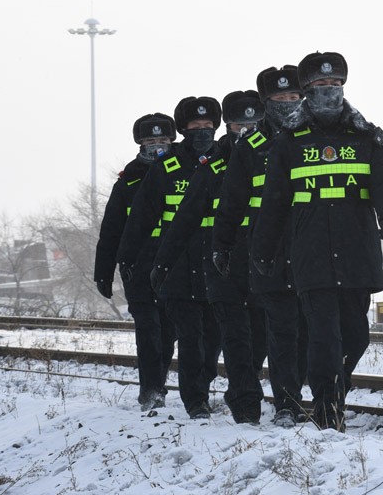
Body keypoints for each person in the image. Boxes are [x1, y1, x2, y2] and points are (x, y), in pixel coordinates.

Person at [251, 52, 383, 430]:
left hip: (357, 252)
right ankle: (326, 405)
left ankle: (336, 386)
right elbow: (273, 201)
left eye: (335, 85)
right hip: (311, 255)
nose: (329, 93)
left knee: (356, 335)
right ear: (307, 91)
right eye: (321, 86)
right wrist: (264, 250)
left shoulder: (366, 135)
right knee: (322, 336)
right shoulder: (290, 141)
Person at [153, 91, 266, 425]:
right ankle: (225, 400)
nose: (245, 131)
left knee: (254, 338)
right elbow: (184, 216)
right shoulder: (212, 165)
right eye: (238, 124)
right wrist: (161, 263)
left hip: (260, 265)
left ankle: (243, 390)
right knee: (218, 340)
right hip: (216, 267)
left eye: (252, 124)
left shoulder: (272, 156)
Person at [212, 65, 309, 428]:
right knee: (280, 331)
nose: (288, 103)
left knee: (310, 331)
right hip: (264, 251)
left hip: (309, 248)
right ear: (265, 102)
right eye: (279, 98)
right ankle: (285, 403)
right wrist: (222, 244)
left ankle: (301, 392)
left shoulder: (311, 136)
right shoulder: (250, 147)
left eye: (293, 96)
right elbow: (232, 201)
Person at [116, 96, 224, 420]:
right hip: (177, 269)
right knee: (190, 338)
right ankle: (196, 401)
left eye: (208, 126)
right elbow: (141, 219)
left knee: (213, 339)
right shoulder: (167, 168)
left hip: (218, 269)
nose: (202, 132)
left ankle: (202, 385)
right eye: (195, 126)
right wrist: (128, 259)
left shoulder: (227, 162)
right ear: (183, 129)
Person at [93, 113, 177, 411]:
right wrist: (103, 272)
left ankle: (159, 384)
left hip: (175, 266)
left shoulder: (183, 174)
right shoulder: (128, 181)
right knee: (148, 329)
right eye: (151, 141)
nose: (157, 147)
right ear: (140, 144)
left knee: (168, 332)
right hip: (136, 267)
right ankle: (150, 391)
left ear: (173, 141)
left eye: (163, 141)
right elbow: (111, 230)